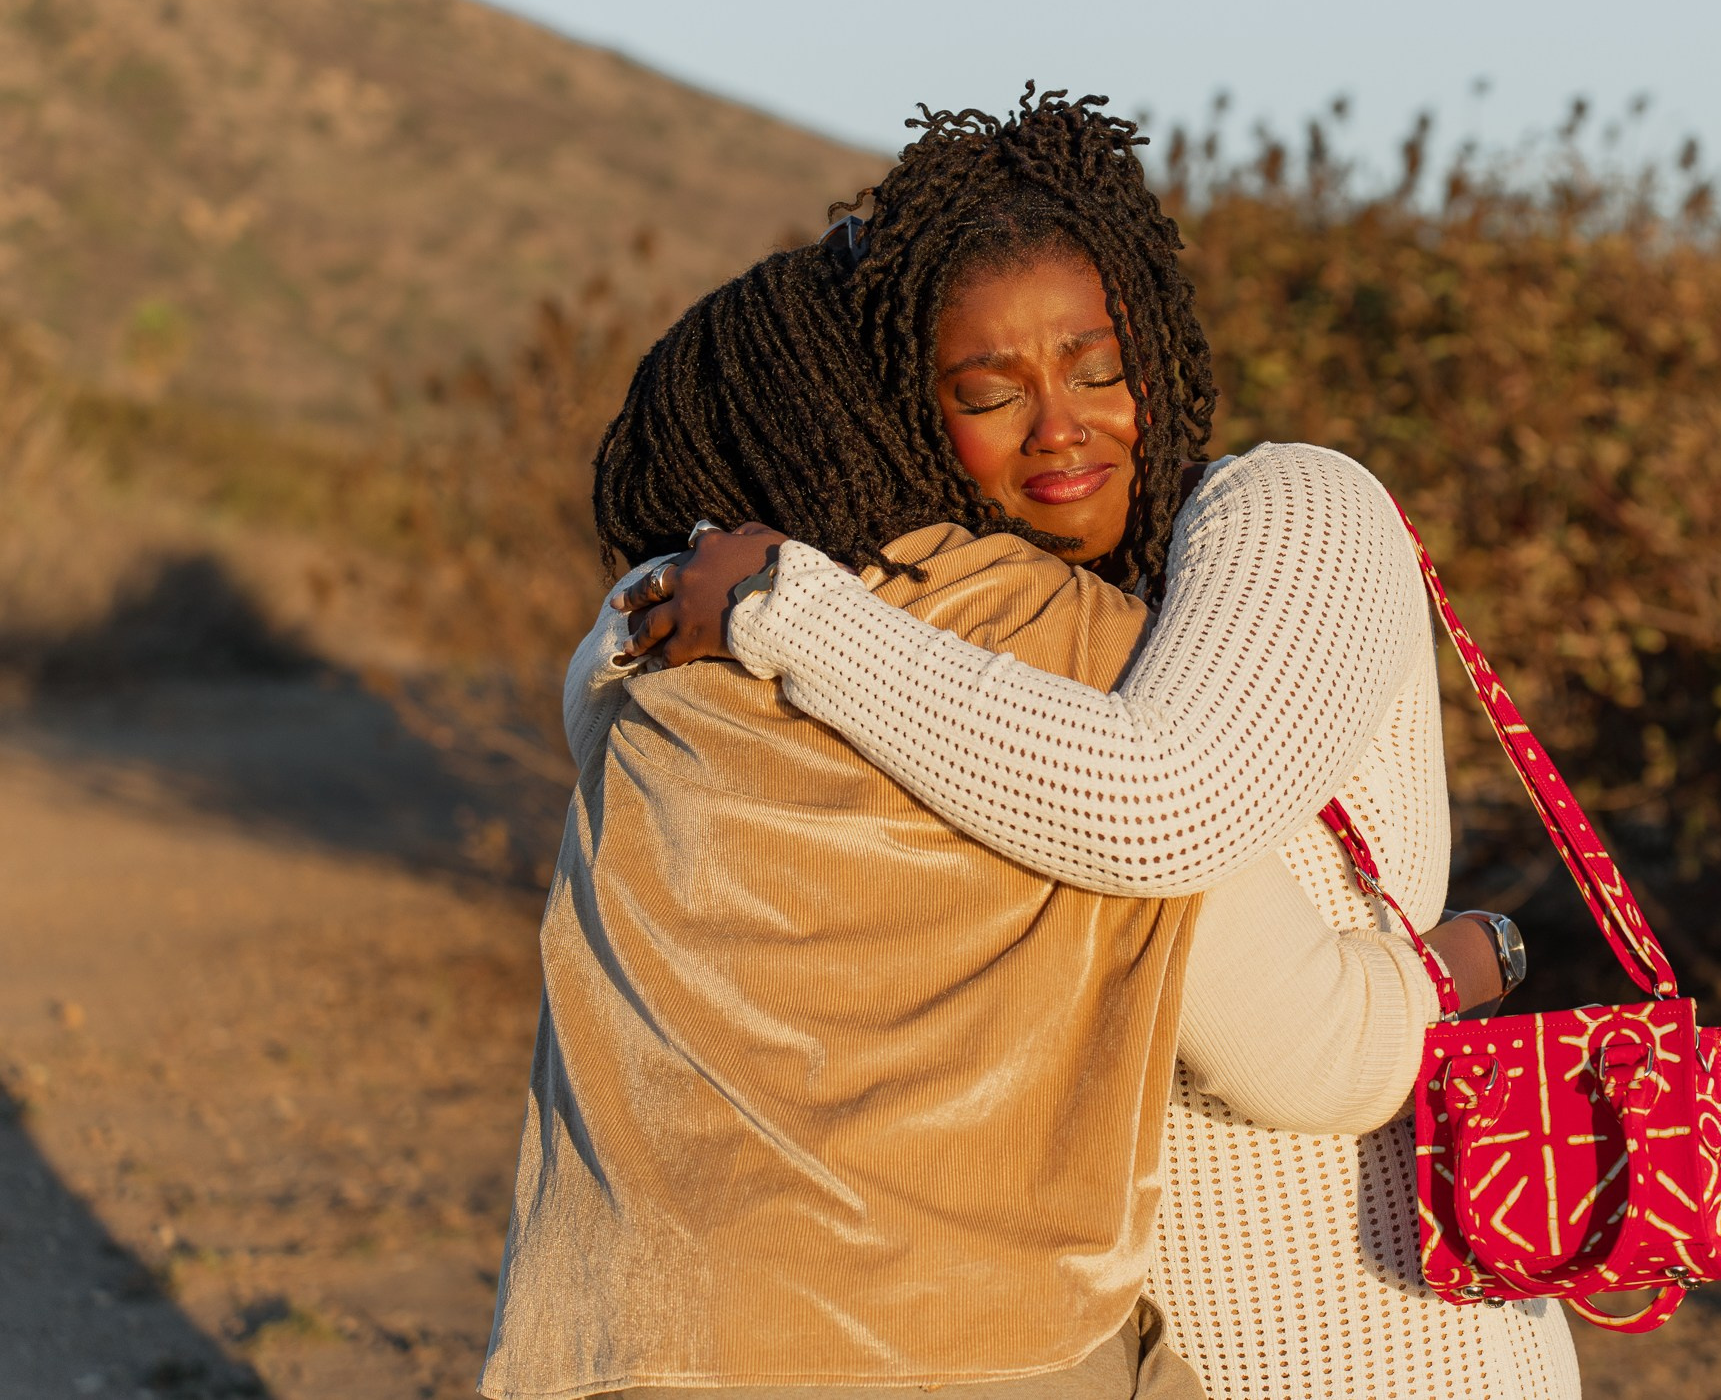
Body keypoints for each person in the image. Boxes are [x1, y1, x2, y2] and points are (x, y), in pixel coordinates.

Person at [484, 96, 1511, 1400]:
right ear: (912, 416)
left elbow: (1157, 806)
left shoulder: (1285, 511)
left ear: (1159, 333)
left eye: (1097, 367)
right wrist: (701, 614)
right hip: (1077, 1335)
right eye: (985, 393)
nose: (1059, 427)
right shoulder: (963, 634)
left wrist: (765, 611)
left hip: (1359, 1336)